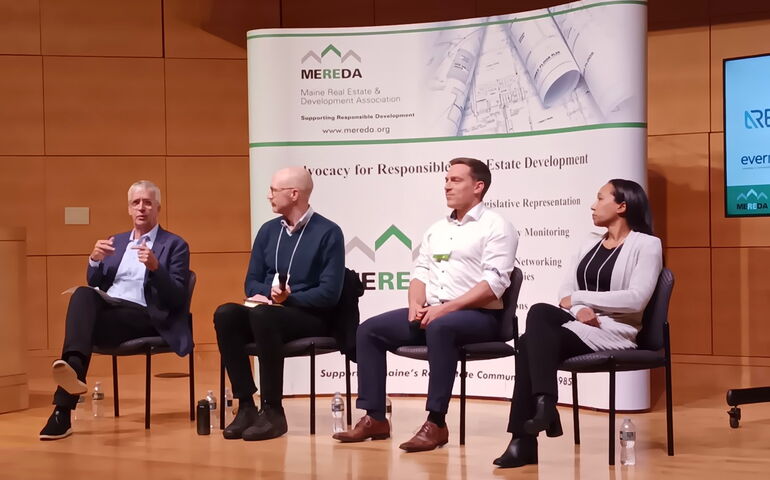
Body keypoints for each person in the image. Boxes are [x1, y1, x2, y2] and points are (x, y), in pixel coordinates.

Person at [333, 158, 518, 452]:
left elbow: (493, 286)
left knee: (441, 328)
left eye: (456, 180)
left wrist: (444, 309)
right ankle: (375, 417)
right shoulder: (436, 229)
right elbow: (421, 273)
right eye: (446, 179)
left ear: (478, 187)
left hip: (482, 318)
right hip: (434, 312)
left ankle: (436, 423)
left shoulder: (497, 226)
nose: (447, 185)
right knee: (369, 330)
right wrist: (415, 304)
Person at [494, 178, 663, 468]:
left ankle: (524, 439)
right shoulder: (589, 243)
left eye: (600, 199)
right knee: (539, 311)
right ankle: (545, 403)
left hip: (614, 332)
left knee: (526, 344)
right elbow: (565, 293)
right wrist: (581, 307)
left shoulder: (647, 245)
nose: (593, 205)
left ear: (622, 206)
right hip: (580, 324)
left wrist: (582, 299)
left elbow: (636, 299)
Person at [39, 180, 191, 440]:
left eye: (147, 203)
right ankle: (68, 389)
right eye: (136, 203)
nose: (141, 208)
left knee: (83, 318)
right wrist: (94, 260)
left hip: (146, 316)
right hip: (113, 315)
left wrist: (156, 268)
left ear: (158, 208)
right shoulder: (116, 242)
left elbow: (177, 298)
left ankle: (63, 407)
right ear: (129, 209)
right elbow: (94, 282)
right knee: (83, 294)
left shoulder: (174, 245)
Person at [214, 166, 345, 441]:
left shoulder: (328, 232)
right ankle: (247, 405)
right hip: (268, 312)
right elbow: (251, 282)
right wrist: (267, 295)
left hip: (310, 316)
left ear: (294, 194)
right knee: (225, 314)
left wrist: (289, 298)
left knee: (264, 316)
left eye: (274, 190)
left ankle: (273, 410)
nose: (268, 196)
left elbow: (329, 293)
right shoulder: (268, 231)